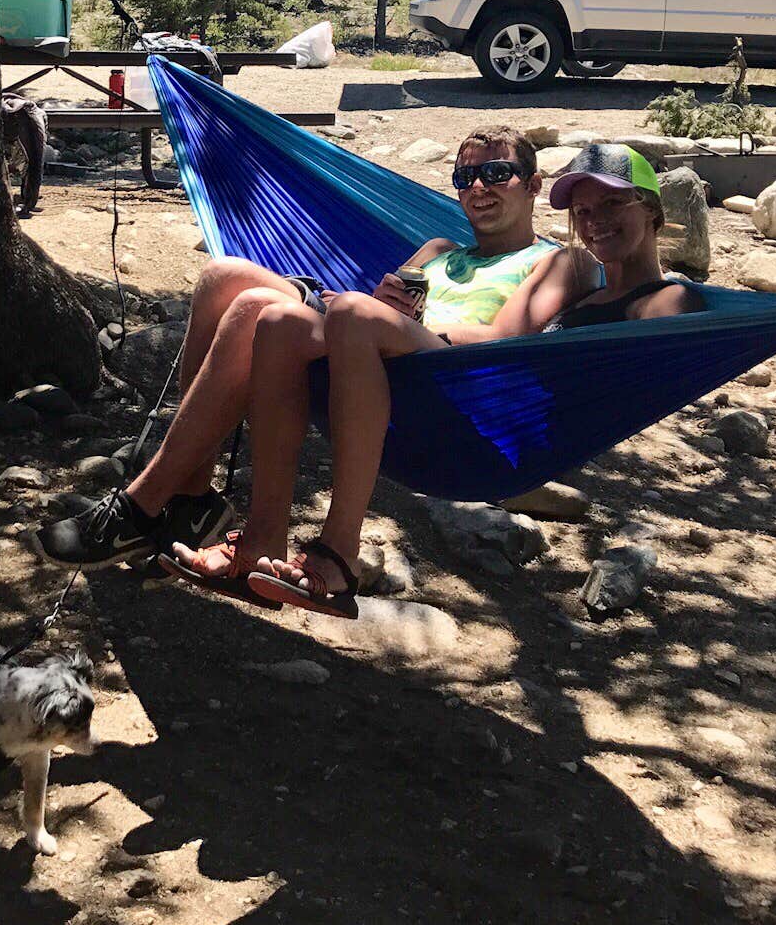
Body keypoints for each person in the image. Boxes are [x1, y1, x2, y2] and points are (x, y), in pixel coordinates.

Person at [36, 124, 561, 576]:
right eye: (465, 178)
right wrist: (380, 306)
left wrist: (390, 319)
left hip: (443, 366)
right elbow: (383, 310)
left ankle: (143, 504)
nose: (478, 188)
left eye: (496, 174)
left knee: (284, 313)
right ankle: (193, 494)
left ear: (534, 184)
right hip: (372, 338)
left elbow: (503, 340)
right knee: (227, 282)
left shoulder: (554, 262)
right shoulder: (441, 251)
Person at [231, 141, 705, 616]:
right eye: (583, 210)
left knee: (348, 312)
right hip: (444, 395)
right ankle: (247, 533)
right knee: (278, 319)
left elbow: (628, 348)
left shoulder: (661, 300)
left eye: (612, 202)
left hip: (500, 430)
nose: (595, 218)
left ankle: (338, 554)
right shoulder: (589, 288)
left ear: (653, 211)